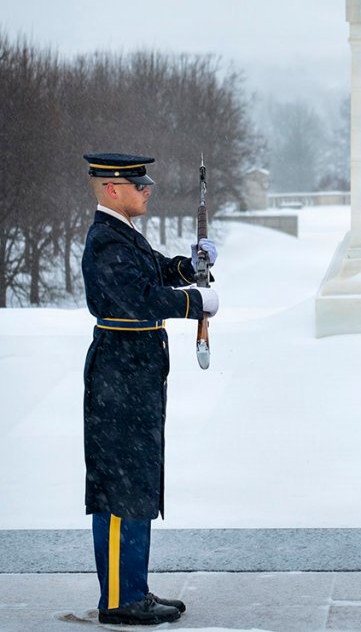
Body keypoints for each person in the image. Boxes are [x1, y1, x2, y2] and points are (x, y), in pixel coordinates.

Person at [81, 153, 219, 625]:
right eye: (140, 186)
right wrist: (192, 302)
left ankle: (132, 586)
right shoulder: (106, 242)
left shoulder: (123, 236)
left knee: (137, 481)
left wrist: (187, 267)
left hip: (134, 371)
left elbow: (153, 272)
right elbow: (139, 299)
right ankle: (119, 601)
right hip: (119, 370)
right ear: (112, 188)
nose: (148, 191)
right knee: (121, 486)